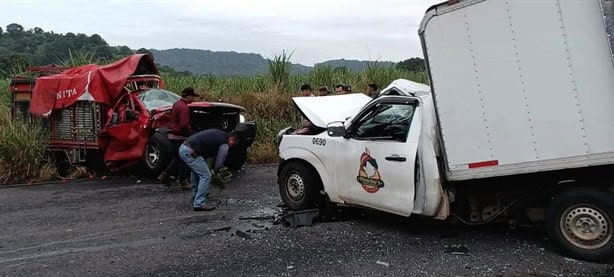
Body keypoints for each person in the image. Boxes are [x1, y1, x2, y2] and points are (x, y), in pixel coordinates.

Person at [179, 129, 238, 211]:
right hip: (190, 151)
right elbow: (219, 162)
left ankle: (195, 196)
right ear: (232, 139)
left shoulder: (220, 134)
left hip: (184, 148)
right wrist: (216, 172)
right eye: (234, 143)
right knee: (206, 175)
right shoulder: (224, 143)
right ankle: (199, 203)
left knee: (196, 173)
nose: (233, 146)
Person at [157, 87, 197, 189]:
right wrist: (191, 133)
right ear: (188, 96)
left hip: (172, 136)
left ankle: (165, 175)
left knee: (177, 158)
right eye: (193, 96)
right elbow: (184, 124)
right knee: (185, 158)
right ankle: (183, 181)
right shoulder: (184, 107)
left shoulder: (176, 104)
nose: (194, 99)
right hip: (180, 137)